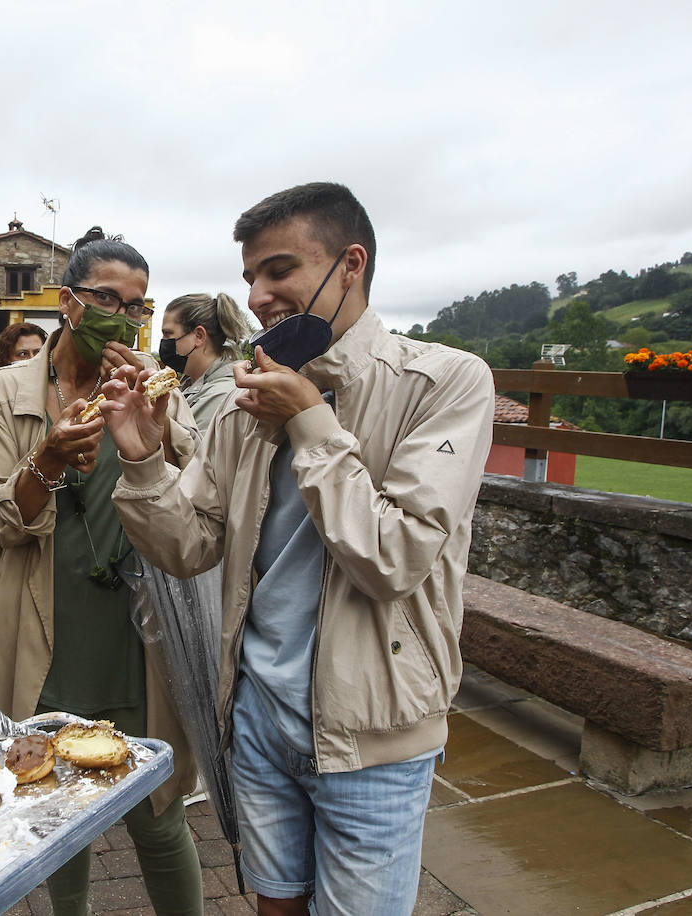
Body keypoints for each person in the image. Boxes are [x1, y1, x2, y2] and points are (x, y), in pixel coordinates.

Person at [100, 183, 495, 916]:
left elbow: (396, 557)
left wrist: (311, 425)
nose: (257, 296)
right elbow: (187, 548)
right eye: (250, 276)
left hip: (372, 736)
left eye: (278, 270)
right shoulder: (252, 403)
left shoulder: (444, 382)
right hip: (256, 717)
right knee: (275, 907)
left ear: (350, 263)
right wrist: (143, 462)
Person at [0, 229, 204, 916]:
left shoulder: (158, 391)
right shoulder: (2, 393)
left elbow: (195, 504)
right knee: (53, 813)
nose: (122, 317)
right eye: (106, 299)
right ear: (68, 302)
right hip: (41, 627)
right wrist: (48, 459)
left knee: (158, 814)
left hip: (132, 635)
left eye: (136, 306)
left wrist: (157, 431)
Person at [0, 321, 49, 560]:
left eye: (38, 353)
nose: (32, 360)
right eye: (23, 354)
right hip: (0, 507)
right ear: (7, 358)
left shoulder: (54, 396)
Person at [157, 293, 248, 433]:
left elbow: (189, 453)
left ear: (199, 336)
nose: (163, 342)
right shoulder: (190, 385)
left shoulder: (220, 396)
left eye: (168, 334)